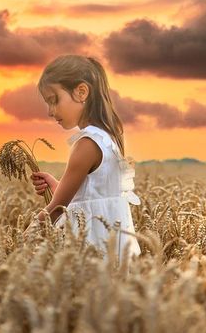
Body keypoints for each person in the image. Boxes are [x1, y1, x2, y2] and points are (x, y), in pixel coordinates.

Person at [29, 54, 141, 264]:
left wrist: (22, 240)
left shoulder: (86, 145)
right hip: (114, 247)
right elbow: (95, 193)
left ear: (81, 92)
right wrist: (57, 185)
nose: (50, 112)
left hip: (91, 248)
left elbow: (57, 208)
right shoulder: (109, 137)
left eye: (54, 101)